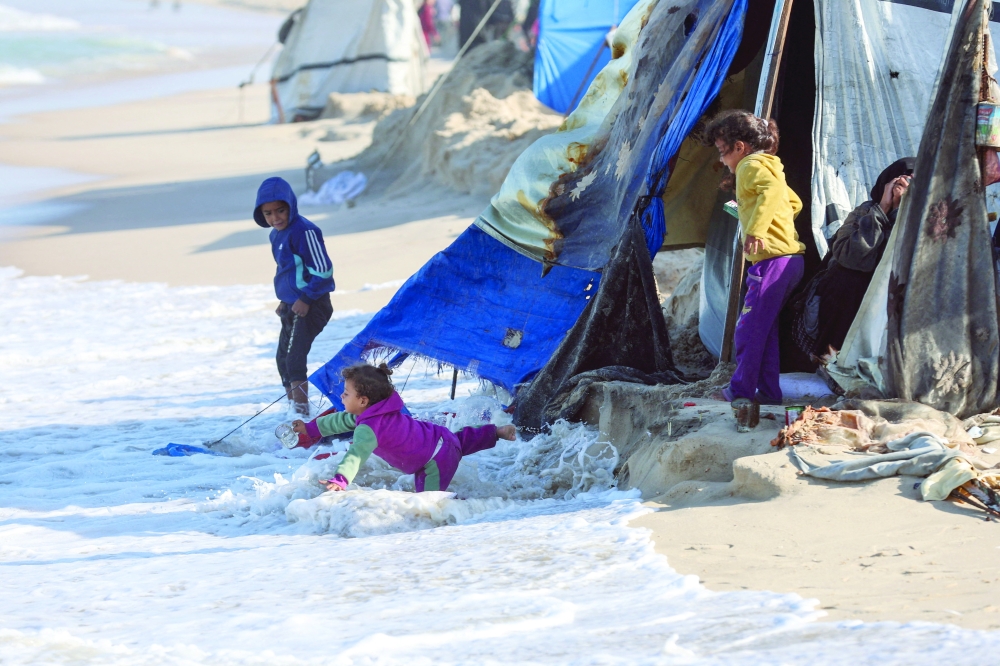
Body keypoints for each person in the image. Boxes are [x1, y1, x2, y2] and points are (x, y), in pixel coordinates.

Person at [706, 110, 805, 405]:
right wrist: (771, 221)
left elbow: (772, 191)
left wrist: (757, 229)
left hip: (772, 263)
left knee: (748, 330)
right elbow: (793, 201)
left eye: (723, 153)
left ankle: (740, 390)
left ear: (739, 147)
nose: (722, 161)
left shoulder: (750, 165)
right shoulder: (772, 166)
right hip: (789, 261)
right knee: (765, 330)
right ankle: (769, 393)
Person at [292, 363, 516, 492]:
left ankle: (467, 513)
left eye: (346, 393)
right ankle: (496, 432)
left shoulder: (368, 428)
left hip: (434, 460)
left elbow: (356, 454)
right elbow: (339, 421)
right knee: (460, 440)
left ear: (363, 401)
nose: (341, 396)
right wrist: (310, 429)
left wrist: (340, 480)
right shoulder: (375, 412)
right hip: (439, 438)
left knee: (430, 505)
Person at [792, 158, 914, 361]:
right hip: (842, 298)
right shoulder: (865, 211)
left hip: (889, 304)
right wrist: (883, 209)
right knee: (849, 277)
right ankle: (829, 358)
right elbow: (850, 257)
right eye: (897, 182)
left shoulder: (923, 220)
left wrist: (902, 212)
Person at [254, 177, 335, 415]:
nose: (275, 218)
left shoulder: (305, 230)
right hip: (293, 305)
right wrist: (285, 299)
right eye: (268, 213)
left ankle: (302, 416)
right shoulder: (275, 235)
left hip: (312, 304)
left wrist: (306, 299)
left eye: (280, 210)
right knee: (282, 361)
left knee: (294, 361)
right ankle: (294, 413)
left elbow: (323, 271)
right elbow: (288, 271)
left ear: (291, 205)